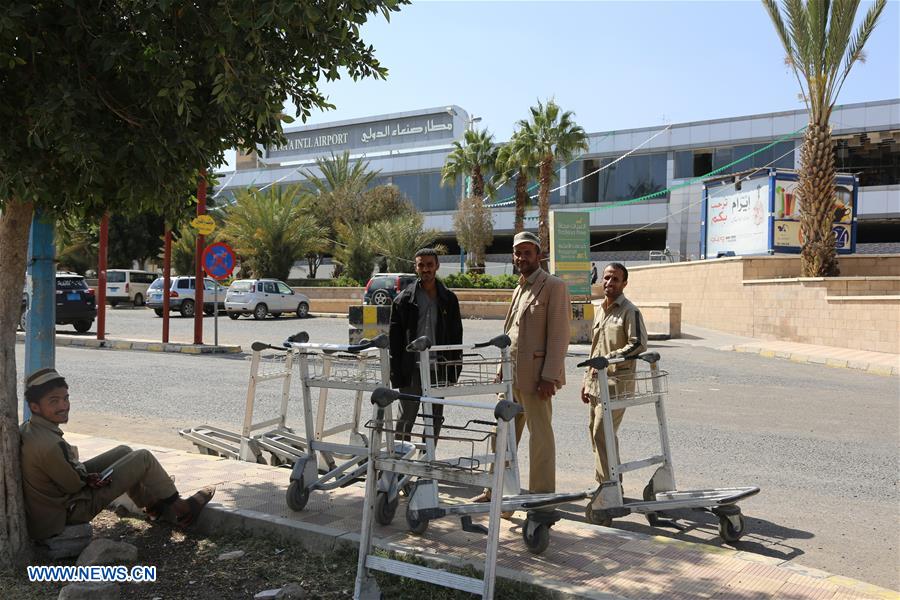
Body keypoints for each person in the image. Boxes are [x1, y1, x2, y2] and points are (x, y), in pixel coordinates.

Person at [20, 368, 216, 541]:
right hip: (67, 512)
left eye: (66, 398)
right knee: (143, 458)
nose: (63, 406)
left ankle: (152, 506)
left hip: (57, 501)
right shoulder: (49, 445)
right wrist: (88, 478)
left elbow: (68, 476)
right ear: (35, 407)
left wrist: (86, 476)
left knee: (123, 451)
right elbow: (73, 485)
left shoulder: (30, 429)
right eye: (54, 401)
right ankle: (183, 510)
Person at [475, 231, 570, 505]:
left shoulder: (553, 286)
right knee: (501, 436)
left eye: (527, 252)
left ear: (538, 256)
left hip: (538, 379)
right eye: (518, 253)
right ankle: (497, 492)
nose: (522, 257)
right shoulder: (519, 287)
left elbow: (560, 335)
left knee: (540, 439)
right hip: (511, 377)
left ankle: (540, 498)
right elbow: (511, 334)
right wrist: (500, 369)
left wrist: (550, 376)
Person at [580, 263, 647, 513]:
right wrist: (586, 380)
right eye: (607, 278)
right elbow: (595, 348)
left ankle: (610, 485)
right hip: (596, 385)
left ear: (624, 283)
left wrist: (612, 358)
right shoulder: (601, 310)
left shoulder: (630, 311)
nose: (610, 283)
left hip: (617, 385)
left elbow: (638, 343)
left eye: (615, 279)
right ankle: (607, 483)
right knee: (596, 433)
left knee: (602, 432)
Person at [389, 248, 463, 441]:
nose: (426, 269)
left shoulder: (449, 299)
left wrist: (454, 370)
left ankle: (426, 461)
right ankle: (398, 464)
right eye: (421, 265)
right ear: (416, 267)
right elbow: (395, 342)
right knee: (406, 418)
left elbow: (456, 337)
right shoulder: (403, 300)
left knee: (434, 419)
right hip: (412, 369)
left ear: (437, 266)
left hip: (438, 368)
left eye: (430, 265)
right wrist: (397, 374)